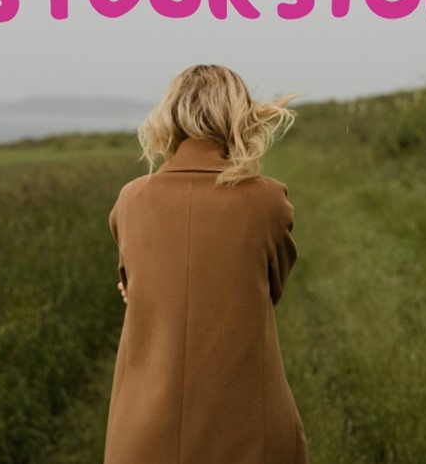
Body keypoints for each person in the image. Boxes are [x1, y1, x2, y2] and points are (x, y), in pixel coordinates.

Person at [104, 64, 307, 464]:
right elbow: (271, 287)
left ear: (169, 118)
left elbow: (133, 286)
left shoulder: (131, 200)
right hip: (250, 430)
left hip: (141, 435)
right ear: (239, 117)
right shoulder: (267, 200)